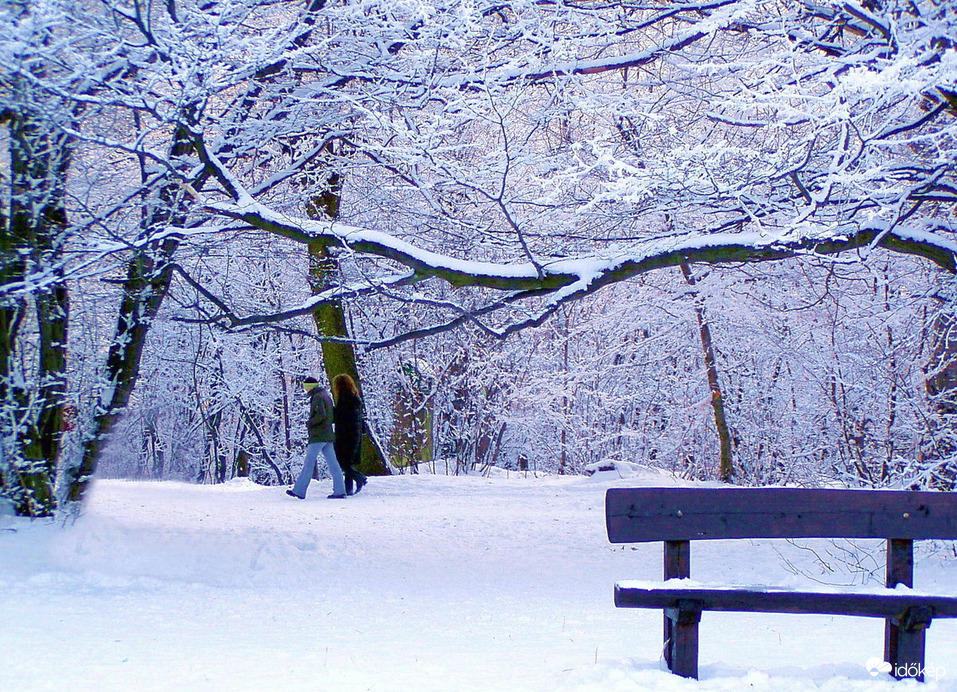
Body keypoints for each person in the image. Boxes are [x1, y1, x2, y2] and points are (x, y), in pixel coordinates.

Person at [287, 376, 346, 499]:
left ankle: (299, 491)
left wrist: (310, 423)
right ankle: (340, 490)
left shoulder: (317, 397)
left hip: (318, 436)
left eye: (305, 386)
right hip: (327, 435)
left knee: (308, 463)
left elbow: (321, 415)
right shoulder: (325, 396)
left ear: (310, 387)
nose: (304, 389)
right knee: (333, 464)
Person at [333, 373, 367, 496]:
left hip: (346, 436)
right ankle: (348, 489)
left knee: (341, 462)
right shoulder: (355, 398)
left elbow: (340, 418)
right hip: (355, 435)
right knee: (348, 462)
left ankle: (359, 478)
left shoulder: (344, 399)